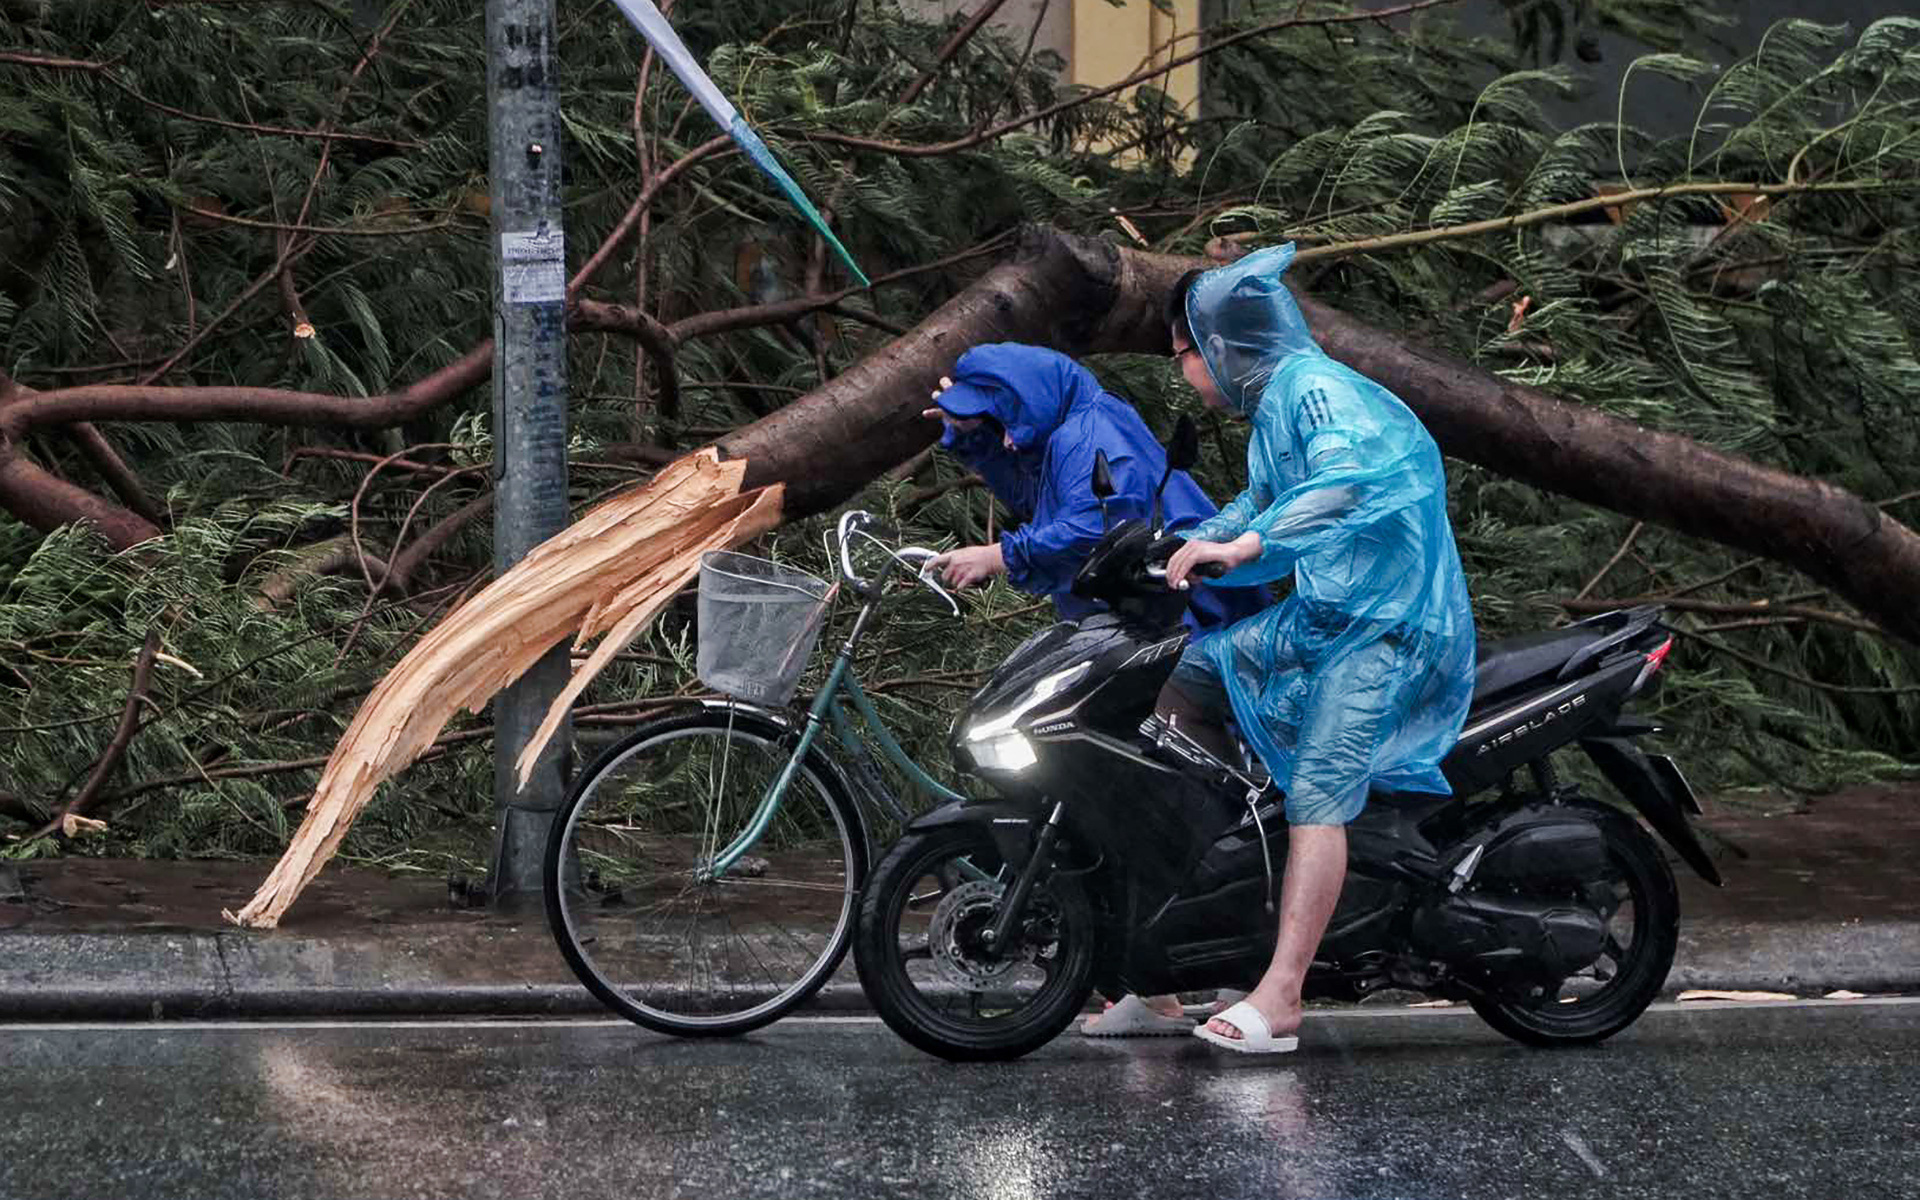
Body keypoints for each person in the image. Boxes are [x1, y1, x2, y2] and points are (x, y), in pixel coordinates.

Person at [1157, 244, 1478, 1054]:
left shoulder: (1320, 390)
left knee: (1318, 792)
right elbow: (1260, 499)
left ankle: (1284, 993)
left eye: (1185, 355)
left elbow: (1343, 486)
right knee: (1182, 678)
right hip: (1326, 617)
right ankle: (1172, 963)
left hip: (1389, 628)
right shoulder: (1275, 408)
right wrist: (1190, 539)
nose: (1185, 374)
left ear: (1223, 345)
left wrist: (1248, 543)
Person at [923, 342, 1266, 637]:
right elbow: (1031, 500)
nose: (1008, 441)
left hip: (1186, 615)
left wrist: (995, 556)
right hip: (1154, 617)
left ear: (1031, 399)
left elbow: (1097, 532)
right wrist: (971, 430)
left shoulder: (1089, 436)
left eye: (1009, 421)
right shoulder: (1062, 436)